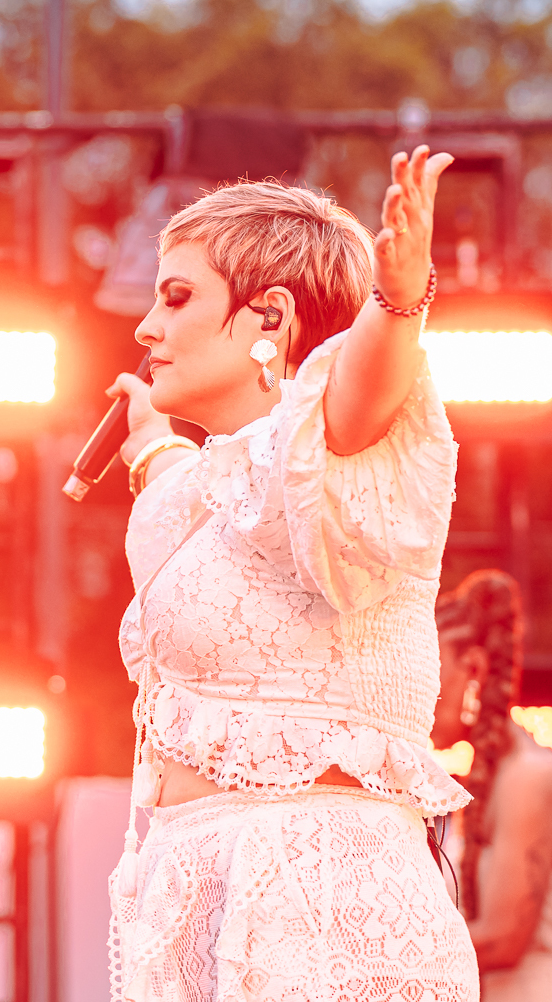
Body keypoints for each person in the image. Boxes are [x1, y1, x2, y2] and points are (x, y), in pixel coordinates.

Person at [107, 146, 478, 1002]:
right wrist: (150, 440)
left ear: (269, 317)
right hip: (192, 884)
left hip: (315, 893)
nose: (146, 329)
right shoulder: (205, 487)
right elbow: (191, 483)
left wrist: (398, 300)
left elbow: (356, 392)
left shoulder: (335, 451)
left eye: (176, 297)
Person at [433, 570, 552, 1001]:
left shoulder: (527, 776)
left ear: (474, 669)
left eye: (430, 674)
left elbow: (502, 940)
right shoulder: (485, 779)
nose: (419, 697)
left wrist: (380, 959)